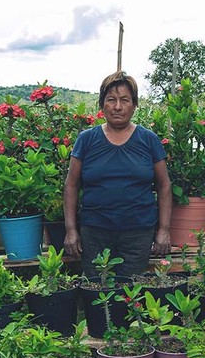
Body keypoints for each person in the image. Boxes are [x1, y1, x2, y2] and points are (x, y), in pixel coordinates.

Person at [63, 71, 173, 287]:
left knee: (130, 293)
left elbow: (164, 186)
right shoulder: (87, 139)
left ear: (134, 105)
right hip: (94, 232)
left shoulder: (148, 140)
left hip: (138, 233)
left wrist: (164, 230)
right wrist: (70, 230)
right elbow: (71, 185)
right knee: (96, 291)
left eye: (125, 100)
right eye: (111, 100)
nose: (118, 106)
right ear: (102, 104)